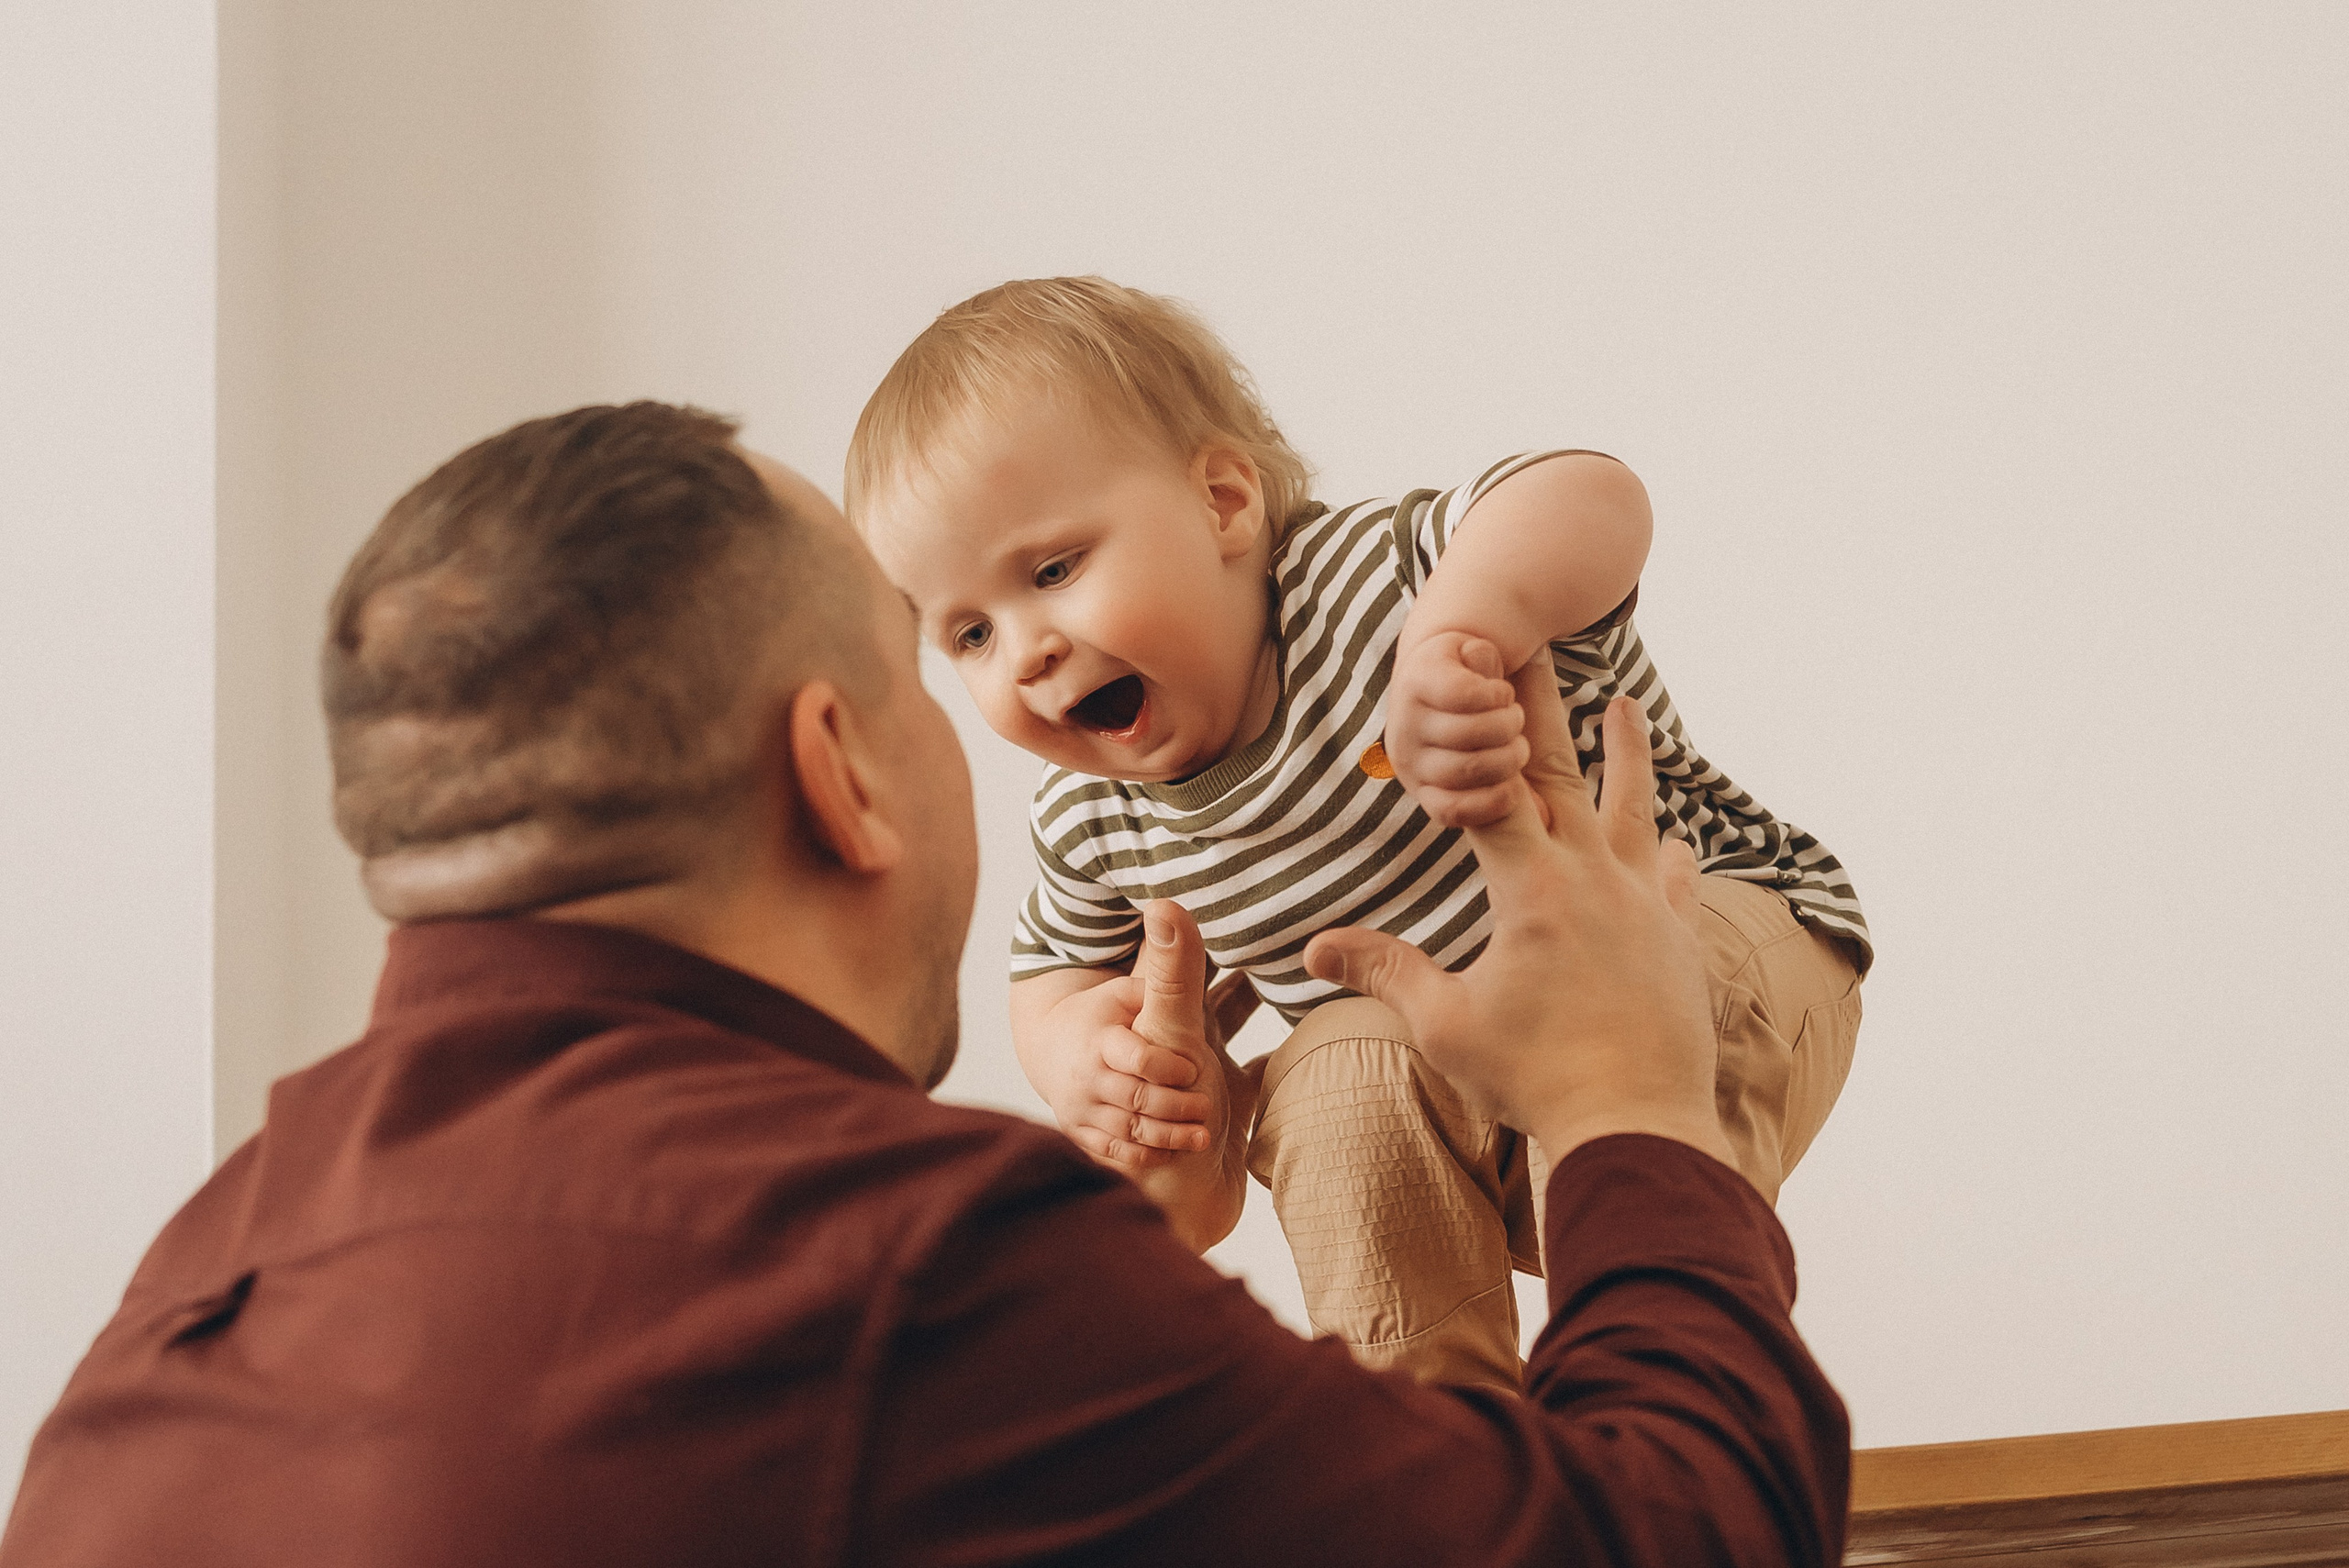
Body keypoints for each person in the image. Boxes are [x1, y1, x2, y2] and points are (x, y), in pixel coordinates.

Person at [0, 402, 1848, 1567]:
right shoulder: (909, 1263)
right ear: (841, 764)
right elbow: (1677, 1534)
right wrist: (1619, 1091)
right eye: (939, 648)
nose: (1019, 684)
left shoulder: (151, 1338)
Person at [845, 275, 1875, 1389]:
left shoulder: (1376, 579)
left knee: (1669, 971)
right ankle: (1447, 1464)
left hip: (1695, 930)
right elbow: (1048, 973)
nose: (1027, 651)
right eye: (969, 633)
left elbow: (1593, 493)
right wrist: (1092, 1061)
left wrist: (1464, 627)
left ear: (1224, 501)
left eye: (1052, 570)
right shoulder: (1096, 822)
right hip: (1458, 1073)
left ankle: (1671, 1388)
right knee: (1328, 1073)